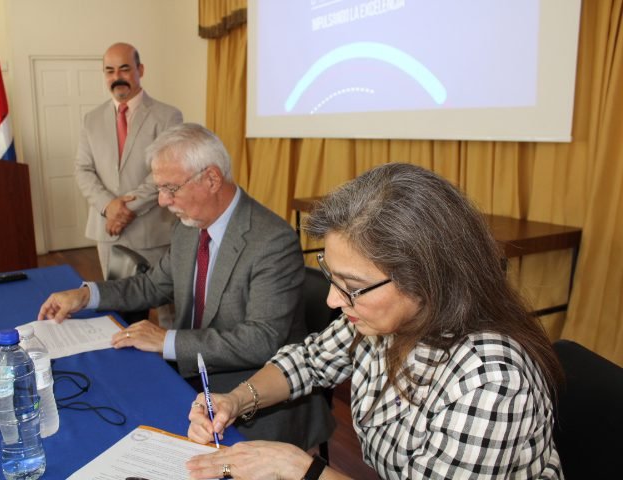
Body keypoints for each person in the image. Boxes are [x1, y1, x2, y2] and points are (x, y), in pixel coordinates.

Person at [186, 163, 564, 480]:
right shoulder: (382, 317)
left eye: (352, 286)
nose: (334, 300)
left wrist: (301, 468)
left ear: (427, 281)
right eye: (332, 276)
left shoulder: (490, 380)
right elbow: (309, 361)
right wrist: (234, 400)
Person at [39, 123, 334, 448]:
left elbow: (260, 341)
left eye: (170, 188)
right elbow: (152, 285)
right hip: (191, 373)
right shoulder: (189, 227)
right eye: (159, 188)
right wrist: (86, 295)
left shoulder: (271, 241)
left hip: (253, 393)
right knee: (105, 412)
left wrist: (166, 340)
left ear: (210, 179)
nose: (163, 201)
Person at [76, 42, 183, 280]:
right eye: (110, 70)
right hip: (106, 230)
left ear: (140, 70)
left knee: (165, 307)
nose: (117, 77)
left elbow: (168, 171)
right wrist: (108, 206)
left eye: (124, 69)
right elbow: (83, 170)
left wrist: (125, 210)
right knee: (117, 302)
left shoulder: (168, 116)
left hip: (152, 231)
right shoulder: (90, 119)